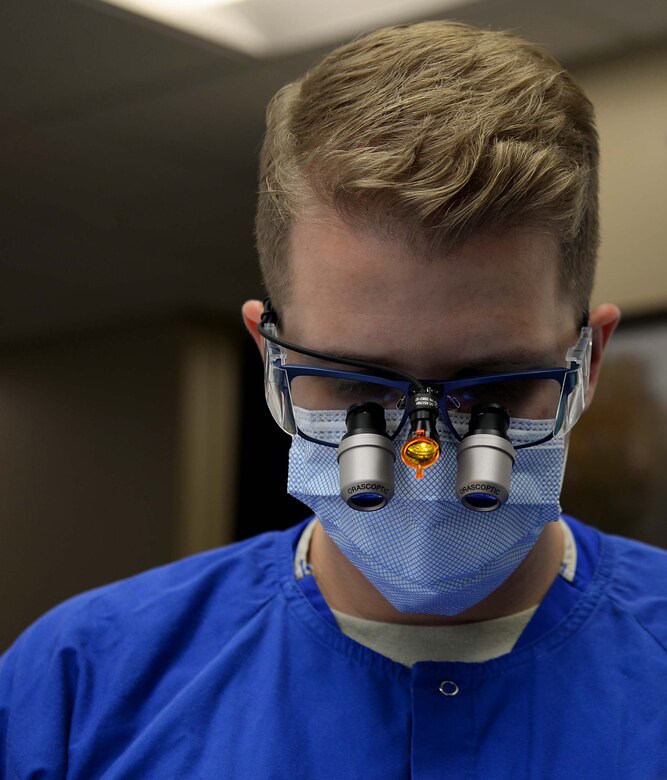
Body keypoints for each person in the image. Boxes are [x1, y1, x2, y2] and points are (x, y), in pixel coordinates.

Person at [1, 19, 666, 779]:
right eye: (359, 386)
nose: (422, 456)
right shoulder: (77, 690)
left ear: (589, 361)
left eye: (492, 388)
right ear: (270, 357)